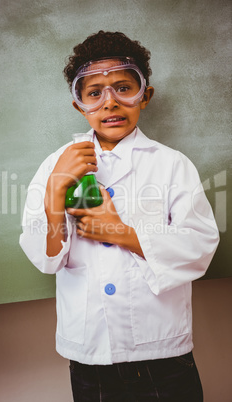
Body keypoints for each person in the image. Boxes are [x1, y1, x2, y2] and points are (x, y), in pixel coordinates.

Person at [19, 31, 219, 401]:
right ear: (79, 105)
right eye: (94, 93)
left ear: (145, 95)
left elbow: (200, 244)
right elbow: (45, 260)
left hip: (163, 353)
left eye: (123, 88)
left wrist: (120, 231)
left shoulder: (172, 164)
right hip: (89, 354)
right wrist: (54, 193)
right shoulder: (55, 164)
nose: (109, 103)